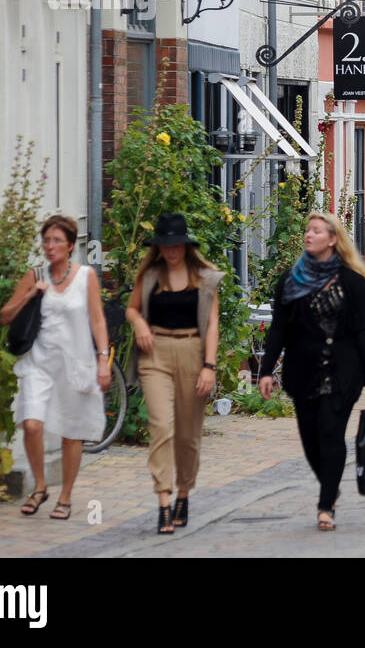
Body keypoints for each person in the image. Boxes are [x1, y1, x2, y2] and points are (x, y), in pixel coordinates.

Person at [259, 212, 365, 531]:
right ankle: (331, 480)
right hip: (302, 370)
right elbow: (279, 330)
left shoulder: (352, 281)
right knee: (310, 440)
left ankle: (326, 504)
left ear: (332, 239)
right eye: (308, 230)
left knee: (330, 432)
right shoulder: (291, 280)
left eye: (317, 231)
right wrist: (266, 371)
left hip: (343, 372)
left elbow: (361, 331)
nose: (309, 235)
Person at [0, 214, 111, 520]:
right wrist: (30, 294)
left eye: (57, 241)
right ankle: (40, 487)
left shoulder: (86, 277)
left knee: (71, 432)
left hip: (75, 363)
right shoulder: (36, 274)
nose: (50, 246)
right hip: (39, 362)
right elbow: (5, 315)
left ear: (71, 245)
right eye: (46, 240)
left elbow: (98, 319)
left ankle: (65, 496)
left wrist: (103, 359)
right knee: (32, 423)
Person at [125, 213, 223, 535]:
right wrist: (139, 323)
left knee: (187, 436)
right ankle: (163, 503)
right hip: (155, 355)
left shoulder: (205, 278)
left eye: (175, 245)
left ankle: (183, 493)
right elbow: (132, 307)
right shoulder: (151, 275)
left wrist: (209, 366)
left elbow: (212, 327)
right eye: (164, 246)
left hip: (193, 353)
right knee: (161, 426)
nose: (170, 252)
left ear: (185, 245)